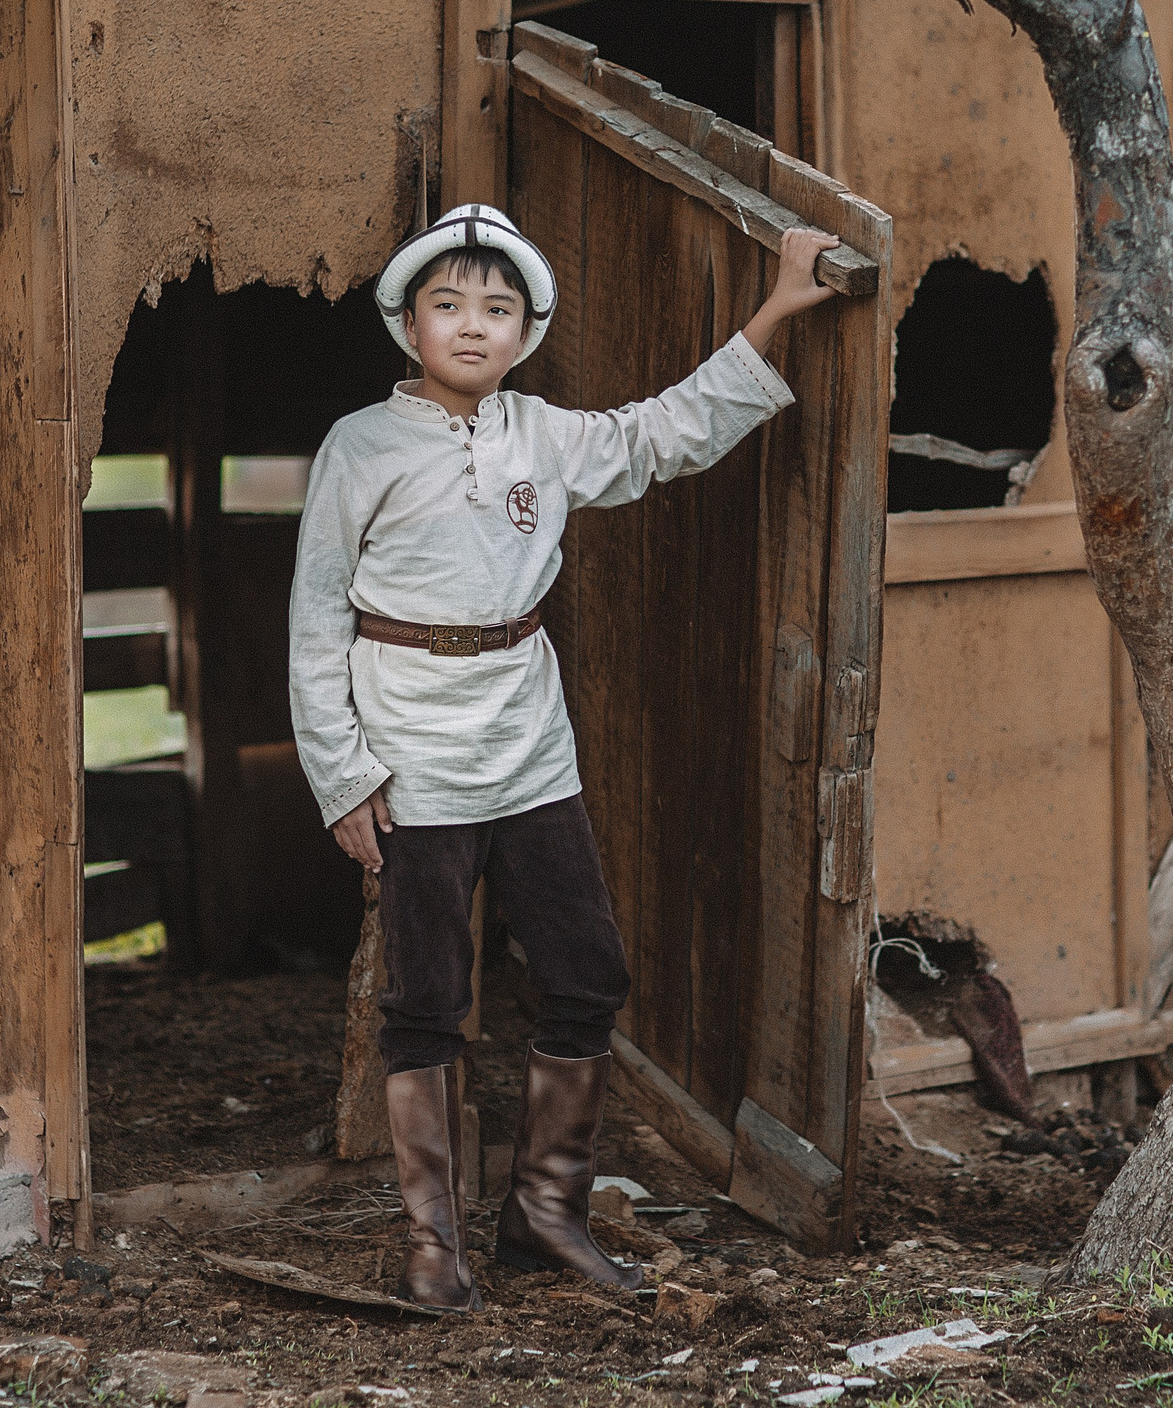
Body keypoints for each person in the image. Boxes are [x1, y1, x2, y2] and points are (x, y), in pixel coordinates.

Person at [288, 203, 840, 1313]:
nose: (474, 326)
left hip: (531, 749)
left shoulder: (541, 435)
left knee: (586, 973)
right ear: (408, 324)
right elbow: (314, 618)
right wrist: (342, 772)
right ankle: (433, 1243)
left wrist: (777, 309)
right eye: (448, 306)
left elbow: (661, 433)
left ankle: (545, 1214)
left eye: (497, 309)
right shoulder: (362, 444)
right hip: (412, 757)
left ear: (525, 331)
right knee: (429, 999)